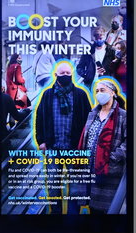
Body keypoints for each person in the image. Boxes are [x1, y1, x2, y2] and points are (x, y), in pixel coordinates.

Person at [35, 62, 91, 214]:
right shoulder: (47, 95)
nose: (66, 76)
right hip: (53, 148)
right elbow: (39, 118)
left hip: (74, 148)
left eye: (68, 73)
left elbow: (89, 120)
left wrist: (85, 144)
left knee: (74, 185)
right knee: (53, 184)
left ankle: (73, 216)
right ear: (56, 75)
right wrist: (41, 141)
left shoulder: (80, 95)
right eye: (62, 73)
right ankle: (56, 214)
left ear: (72, 74)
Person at [77, 79, 126, 214]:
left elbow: (129, 142)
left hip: (108, 169)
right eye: (97, 91)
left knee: (106, 209)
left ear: (113, 93)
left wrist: (113, 157)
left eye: (102, 90)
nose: (99, 93)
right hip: (89, 168)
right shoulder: (92, 114)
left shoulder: (123, 116)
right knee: (92, 208)